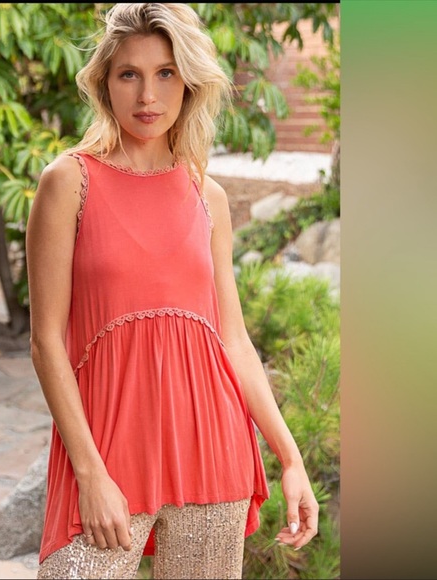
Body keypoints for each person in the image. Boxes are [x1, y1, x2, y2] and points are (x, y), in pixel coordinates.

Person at [26, 3, 319, 579]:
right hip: (108, 453)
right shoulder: (69, 181)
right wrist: (90, 473)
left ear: (189, 82)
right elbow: (46, 343)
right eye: (128, 74)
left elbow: (233, 340)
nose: (147, 95)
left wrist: (291, 458)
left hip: (212, 453)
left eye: (165, 73)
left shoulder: (206, 195)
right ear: (104, 82)